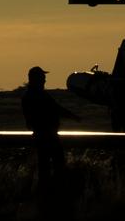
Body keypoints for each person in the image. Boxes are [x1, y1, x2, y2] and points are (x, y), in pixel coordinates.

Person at [20, 66, 79, 203]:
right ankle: (51, 196)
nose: (45, 79)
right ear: (36, 79)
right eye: (42, 77)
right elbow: (56, 109)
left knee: (46, 167)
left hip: (44, 135)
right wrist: (74, 117)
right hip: (47, 135)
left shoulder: (31, 95)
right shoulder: (37, 95)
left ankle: (47, 196)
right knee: (53, 166)